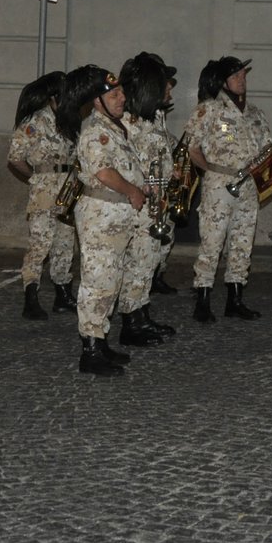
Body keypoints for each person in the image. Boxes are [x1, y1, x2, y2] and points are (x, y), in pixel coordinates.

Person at [64, 65, 145, 376]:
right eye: (114, 94)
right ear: (97, 101)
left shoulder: (114, 128)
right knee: (98, 283)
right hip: (102, 215)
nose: (122, 97)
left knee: (111, 281)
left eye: (121, 91)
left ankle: (101, 340)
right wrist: (133, 190)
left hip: (116, 214)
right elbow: (103, 173)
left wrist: (139, 187)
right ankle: (91, 351)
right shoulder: (96, 130)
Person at [185, 56, 272, 322]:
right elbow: (191, 147)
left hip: (248, 185)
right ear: (223, 82)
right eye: (235, 76)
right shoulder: (210, 109)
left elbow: (267, 147)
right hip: (219, 184)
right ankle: (202, 298)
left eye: (243, 75)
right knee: (212, 242)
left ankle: (235, 299)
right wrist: (211, 170)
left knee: (242, 242)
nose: (241, 80)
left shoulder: (255, 113)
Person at [116, 53, 177, 346]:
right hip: (137, 204)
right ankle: (130, 323)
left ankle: (141, 314)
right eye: (165, 83)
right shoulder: (125, 122)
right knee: (136, 262)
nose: (170, 89)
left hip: (156, 204)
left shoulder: (155, 118)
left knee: (148, 261)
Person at [6, 71, 76, 321]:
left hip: (67, 189)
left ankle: (63, 294)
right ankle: (31, 296)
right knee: (40, 245)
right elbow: (15, 157)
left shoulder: (67, 122)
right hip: (44, 189)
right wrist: (35, 177)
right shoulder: (35, 121)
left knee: (65, 244)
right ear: (53, 97)